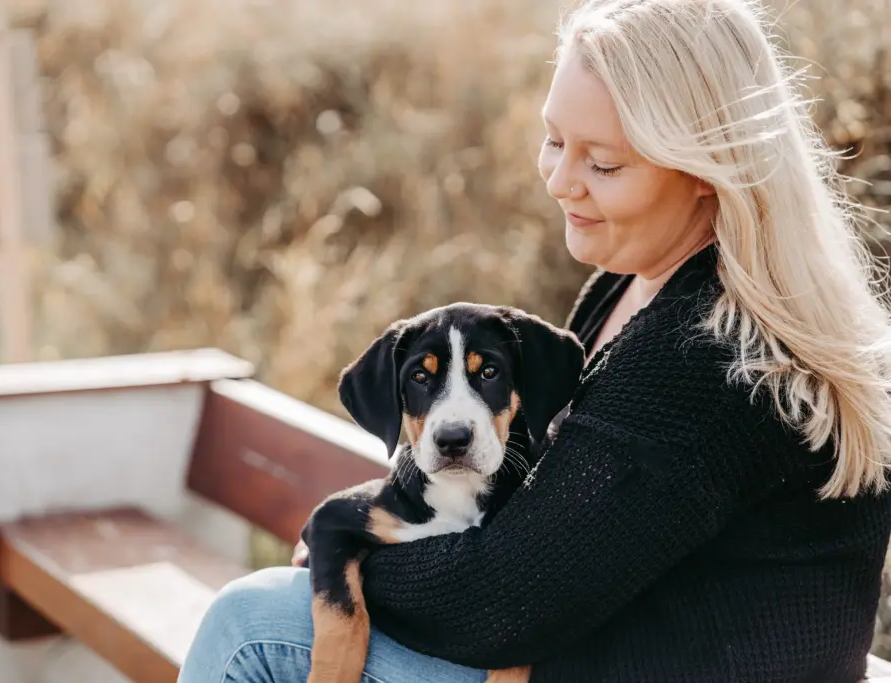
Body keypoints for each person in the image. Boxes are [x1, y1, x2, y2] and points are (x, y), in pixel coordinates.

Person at [176, 0, 891, 680]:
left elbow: (502, 602)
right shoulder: (634, 286)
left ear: (707, 170)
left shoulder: (705, 359)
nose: (558, 180)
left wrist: (350, 548)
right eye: (553, 140)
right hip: (589, 649)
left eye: (602, 164)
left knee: (251, 626)